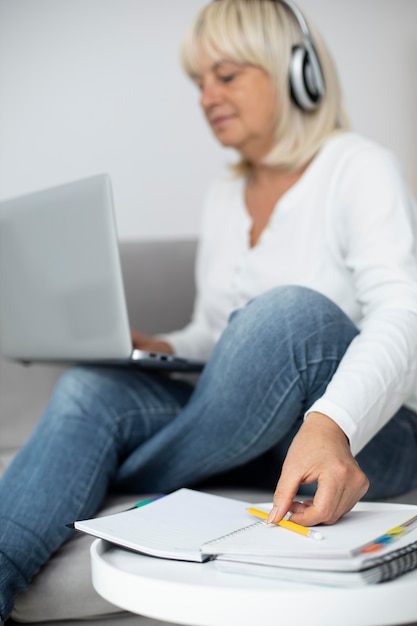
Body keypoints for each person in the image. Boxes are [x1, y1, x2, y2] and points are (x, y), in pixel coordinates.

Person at [1, 0, 417, 621]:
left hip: (364, 436)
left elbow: (405, 313)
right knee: (92, 387)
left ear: (296, 73)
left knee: (287, 317)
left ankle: (116, 468)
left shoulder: (357, 167)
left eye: (225, 75)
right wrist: (152, 345)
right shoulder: (225, 196)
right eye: (199, 83)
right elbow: (214, 332)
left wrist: (331, 423)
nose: (205, 97)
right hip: (250, 436)